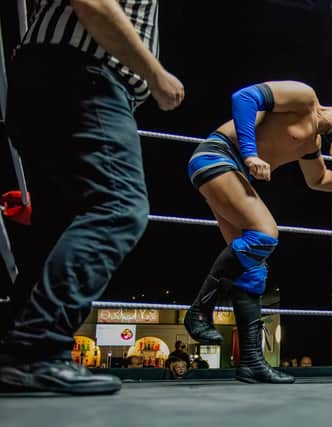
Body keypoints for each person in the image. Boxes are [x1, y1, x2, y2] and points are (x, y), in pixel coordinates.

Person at [0, 0, 184, 395]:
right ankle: (37, 348)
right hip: (81, 76)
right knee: (120, 208)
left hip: (52, 78)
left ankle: (17, 354)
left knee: (56, 226)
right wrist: (155, 75)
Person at [184, 80, 332, 384]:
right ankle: (199, 311)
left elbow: (319, 180)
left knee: (252, 270)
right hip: (219, 155)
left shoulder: (311, 144)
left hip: (233, 171)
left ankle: (251, 362)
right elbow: (244, 97)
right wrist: (250, 154)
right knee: (266, 233)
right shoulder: (304, 98)